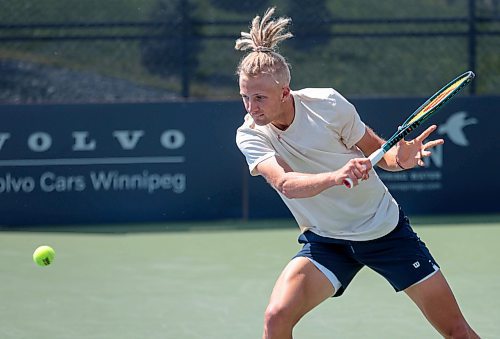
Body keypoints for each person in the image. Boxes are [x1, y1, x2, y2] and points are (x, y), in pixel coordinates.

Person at [234, 7, 479, 339]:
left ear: (285, 92)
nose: (251, 107)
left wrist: (401, 159)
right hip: (326, 241)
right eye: (245, 97)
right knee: (276, 318)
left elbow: (382, 153)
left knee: (456, 331)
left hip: (385, 233)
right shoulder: (250, 133)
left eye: (259, 98)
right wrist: (337, 176)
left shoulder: (328, 105)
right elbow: (285, 183)